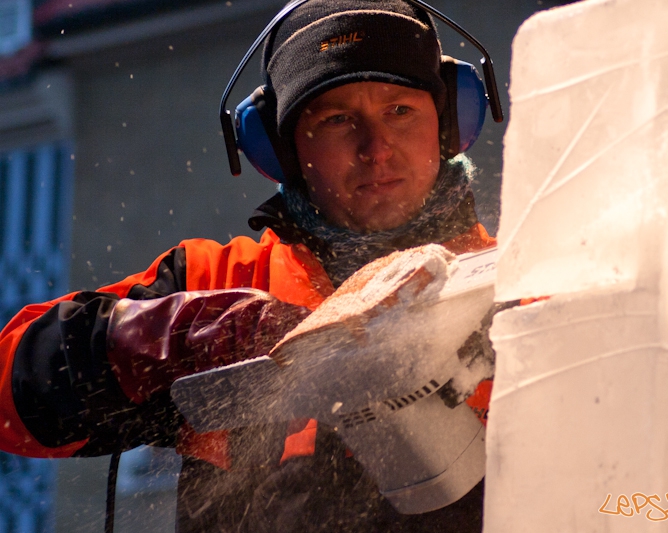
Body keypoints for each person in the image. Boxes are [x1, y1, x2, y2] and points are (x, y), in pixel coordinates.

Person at [0, 0, 497, 531]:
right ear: (282, 151)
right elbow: (10, 399)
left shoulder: (521, 285)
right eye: (337, 119)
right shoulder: (211, 282)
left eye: (400, 110)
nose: (376, 148)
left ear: (448, 124)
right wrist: (164, 341)